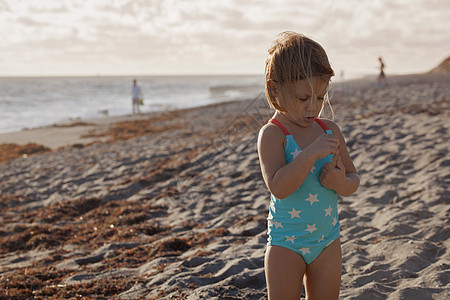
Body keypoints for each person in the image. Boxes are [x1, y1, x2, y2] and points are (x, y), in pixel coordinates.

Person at [258, 31, 360, 299]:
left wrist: (340, 183)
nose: (313, 107)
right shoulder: (274, 134)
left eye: (320, 97)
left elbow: (353, 179)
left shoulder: (330, 130)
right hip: (286, 244)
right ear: (274, 89)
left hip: (328, 241)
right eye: (303, 98)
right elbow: (278, 187)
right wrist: (310, 154)